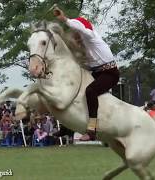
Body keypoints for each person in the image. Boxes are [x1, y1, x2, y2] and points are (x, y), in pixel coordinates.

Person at [53, 7, 119, 141]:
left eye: (77, 32)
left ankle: (92, 130)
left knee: (90, 92)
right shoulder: (85, 45)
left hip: (110, 74)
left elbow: (82, 29)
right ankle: (67, 127)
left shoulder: (92, 36)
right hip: (97, 73)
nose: (75, 36)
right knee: (74, 89)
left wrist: (64, 19)